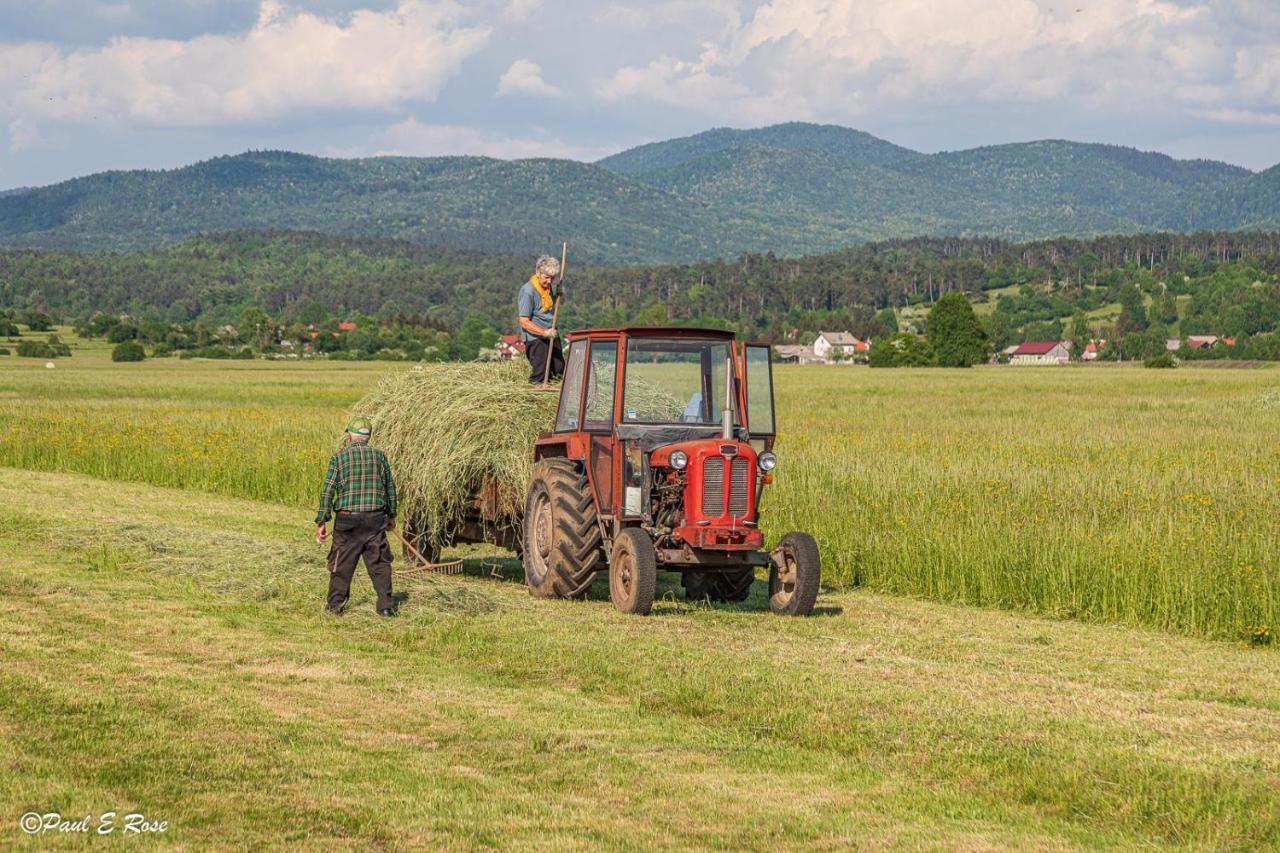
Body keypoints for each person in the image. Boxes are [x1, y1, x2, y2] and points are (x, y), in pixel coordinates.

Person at [314, 416, 398, 616]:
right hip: (375, 519)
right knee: (379, 564)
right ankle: (386, 607)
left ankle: (334, 607)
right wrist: (392, 515)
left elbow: (328, 491)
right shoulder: (380, 457)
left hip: (347, 521)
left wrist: (322, 520)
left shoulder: (339, 458)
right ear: (368, 437)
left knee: (341, 564)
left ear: (350, 436)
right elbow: (390, 488)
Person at [517, 254, 564, 383]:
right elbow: (524, 321)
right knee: (541, 374)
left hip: (551, 334)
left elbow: (546, 307)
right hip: (537, 338)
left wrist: (558, 294)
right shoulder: (528, 291)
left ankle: (556, 398)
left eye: (552, 278)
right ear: (538, 271)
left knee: (559, 370)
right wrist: (544, 332)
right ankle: (534, 398)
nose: (549, 281)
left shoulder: (548, 288)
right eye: (547, 277)